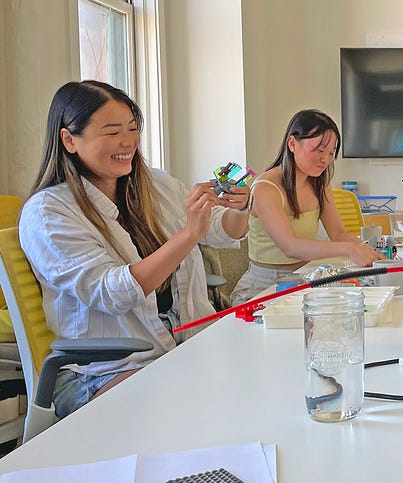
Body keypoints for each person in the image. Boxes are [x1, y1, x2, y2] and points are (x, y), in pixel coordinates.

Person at [20, 80, 251, 418]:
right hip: (102, 371)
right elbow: (115, 293)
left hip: (178, 351)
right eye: (112, 132)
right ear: (69, 139)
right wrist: (188, 234)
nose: (127, 141)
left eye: (133, 128)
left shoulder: (156, 185)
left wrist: (238, 207)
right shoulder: (48, 213)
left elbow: (221, 229)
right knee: (201, 410)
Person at [230, 109, 385, 305]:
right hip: (262, 288)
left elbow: (337, 233)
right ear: (292, 143)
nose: (325, 160)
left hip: (303, 279)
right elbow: (290, 246)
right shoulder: (265, 188)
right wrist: (350, 249)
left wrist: (367, 249)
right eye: (319, 151)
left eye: (331, 153)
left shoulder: (319, 183)